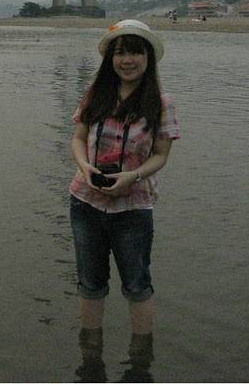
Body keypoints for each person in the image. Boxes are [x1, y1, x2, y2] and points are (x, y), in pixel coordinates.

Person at [69, 19, 180, 371]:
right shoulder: (96, 93)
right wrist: (85, 167)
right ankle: (91, 359)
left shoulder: (161, 103)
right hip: (85, 201)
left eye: (135, 52)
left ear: (148, 57)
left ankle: (139, 362)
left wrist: (131, 176)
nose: (127, 60)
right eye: (120, 53)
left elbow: (161, 155)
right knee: (90, 283)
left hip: (133, 206)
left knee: (137, 283)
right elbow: (77, 138)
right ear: (110, 59)